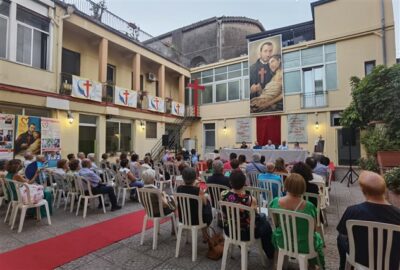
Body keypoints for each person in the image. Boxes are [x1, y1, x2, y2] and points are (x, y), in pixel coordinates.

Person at [336, 171, 400, 270]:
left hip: (361, 260)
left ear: (363, 191)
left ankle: (343, 267)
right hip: (392, 262)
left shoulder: (353, 211)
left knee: (341, 237)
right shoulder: (398, 214)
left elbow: (343, 233)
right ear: (384, 189)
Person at [269, 173, 325, 269]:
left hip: (283, 241)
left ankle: (277, 264)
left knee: (276, 233)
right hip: (305, 245)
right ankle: (312, 266)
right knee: (317, 238)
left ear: (286, 185)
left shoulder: (275, 202)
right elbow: (314, 229)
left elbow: (276, 224)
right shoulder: (309, 206)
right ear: (302, 188)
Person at [221, 170, 275, 260]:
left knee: (260, 220)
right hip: (245, 234)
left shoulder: (223, 194)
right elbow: (254, 215)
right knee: (265, 224)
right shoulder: (250, 199)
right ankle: (271, 253)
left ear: (230, 182)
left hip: (229, 229)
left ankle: (267, 252)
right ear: (244, 183)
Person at [176, 167, 212, 238]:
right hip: (197, 219)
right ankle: (205, 234)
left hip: (183, 217)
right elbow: (204, 203)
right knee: (207, 203)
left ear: (183, 178)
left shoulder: (179, 189)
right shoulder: (198, 190)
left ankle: (204, 234)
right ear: (195, 178)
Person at [141, 169, 176, 233]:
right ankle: (174, 229)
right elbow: (165, 205)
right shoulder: (156, 190)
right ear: (152, 179)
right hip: (159, 212)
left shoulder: (141, 190)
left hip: (149, 211)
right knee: (174, 205)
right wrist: (164, 196)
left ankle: (158, 230)